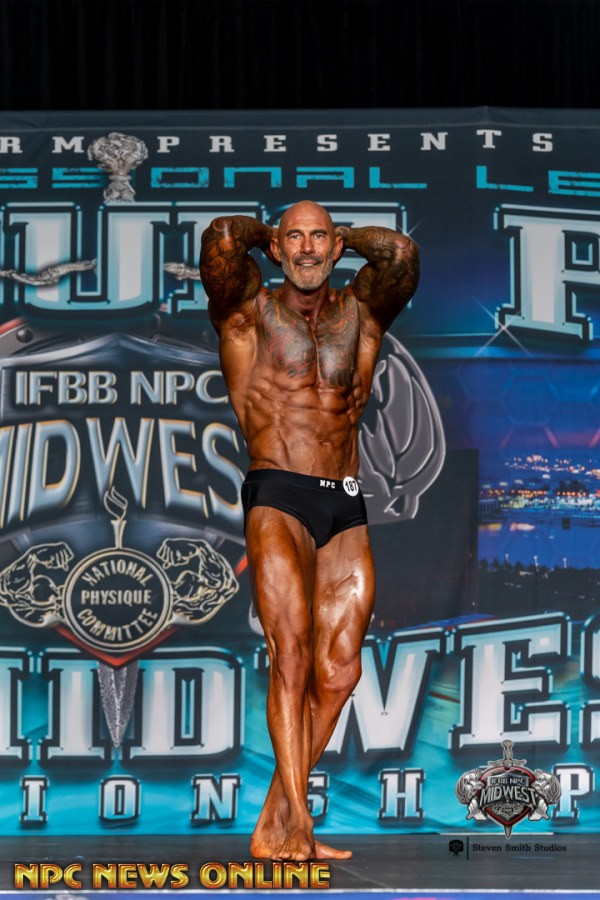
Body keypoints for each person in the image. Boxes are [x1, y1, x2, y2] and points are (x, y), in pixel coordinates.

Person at [199, 201, 419, 862]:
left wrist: (343, 234)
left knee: (340, 673)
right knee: (290, 657)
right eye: (294, 237)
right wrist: (267, 233)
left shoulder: (362, 315)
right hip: (279, 492)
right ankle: (298, 823)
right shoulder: (247, 313)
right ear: (276, 247)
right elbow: (221, 239)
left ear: (336, 246)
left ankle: (275, 818)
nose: (306, 248)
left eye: (318, 237)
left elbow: (401, 255)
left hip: (344, 500)